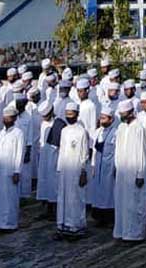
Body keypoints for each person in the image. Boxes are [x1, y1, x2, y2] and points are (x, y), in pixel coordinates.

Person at [114, 99, 146, 242]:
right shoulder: (121, 127)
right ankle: (122, 231)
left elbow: (140, 152)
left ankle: (134, 234)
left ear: (130, 113)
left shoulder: (138, 128)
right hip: (122, 172)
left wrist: (140, 173)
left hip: (134, 171)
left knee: (134, 203)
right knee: (121, 202)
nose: (122, 116)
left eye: (124, 114)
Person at [56, 102, 89, 238]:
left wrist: (83, 171)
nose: (69, 116)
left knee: (76, 198)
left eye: (71, 114)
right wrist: (59, 169)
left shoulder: (81, 131)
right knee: (63, 197)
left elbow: (85, 154)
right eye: (67, 114)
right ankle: (62, 225)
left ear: (77, 114)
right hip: (64, 170)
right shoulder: (64, 131)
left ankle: (76, 226)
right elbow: (62, 150)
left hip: (76, 170)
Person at [0, 106, 25, 233]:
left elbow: (20, 153)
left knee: (10, 198)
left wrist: (17, 171)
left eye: (8, 117)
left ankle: (9, 224)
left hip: (10, 171)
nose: (5, 119)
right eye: (4, 117)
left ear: (14, 118)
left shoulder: (18, 133)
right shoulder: (1, 133)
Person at [89, 106, 119, 225]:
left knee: (108, 194)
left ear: (111, 119)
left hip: (109, 168)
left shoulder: (116, 133)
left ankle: (109, 218)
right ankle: (99, 217)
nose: (102, 120)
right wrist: (92, 165)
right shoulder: (98, 132)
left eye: (104, 118)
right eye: (101, 118)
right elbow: (95, 151)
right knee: (98, 192)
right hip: (98, 166)